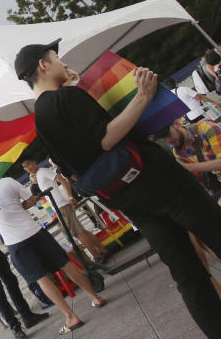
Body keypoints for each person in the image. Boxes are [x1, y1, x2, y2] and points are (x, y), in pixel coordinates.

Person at [15, 39, 221, 337]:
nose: (61, 63)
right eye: (55, 58)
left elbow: (75, 162)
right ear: (42, 65)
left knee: (188, 275)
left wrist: (74, 87)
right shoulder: (67, 99)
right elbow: (106, 138)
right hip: (157, 179)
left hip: (129, 198)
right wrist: (143, 95)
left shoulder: (41, 119)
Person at [0, 175, 106, 335]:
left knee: (41, 278)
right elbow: (31, 200)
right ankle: (94, 297)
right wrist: (18, 206)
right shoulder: (7, 181)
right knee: (65, 263)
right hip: (35, 231)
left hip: (15, 242)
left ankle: (70, 317)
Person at [21, 158, 106, 261]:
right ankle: (102, 250)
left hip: (62, 205)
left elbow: (63, 180)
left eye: (29, 164)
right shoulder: (39, 174)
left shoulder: (43, 171)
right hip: (59, 206)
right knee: (81, 231)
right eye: (25, 167)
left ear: (35, 162)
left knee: (77, 233)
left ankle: (96, 256)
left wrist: (70, 196)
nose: (28, 168)